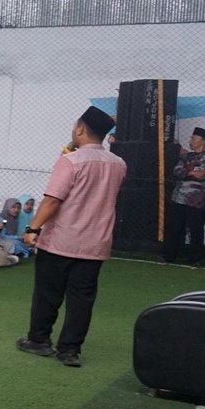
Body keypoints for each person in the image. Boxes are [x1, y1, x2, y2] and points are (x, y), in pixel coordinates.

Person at [16, 106, 128, 368]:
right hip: (95, 243)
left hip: (61, 240)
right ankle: (70, 350)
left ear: (80, 129)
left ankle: (39, 340)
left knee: (48, 293)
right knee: (82, 299)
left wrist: (33, 229)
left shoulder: (70, 161)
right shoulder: (119, 164)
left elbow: (53, 200)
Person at [165, 126, 205, 265]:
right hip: (178, 197)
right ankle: (169, 256)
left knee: (195, 230)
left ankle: (195, 259)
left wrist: (187, 171)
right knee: (174, 228)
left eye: (193, 138)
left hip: (196, 201)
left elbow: (202, 175)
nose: (190, 141)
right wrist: (191, 172)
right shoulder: (185, 156)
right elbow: (177, 171)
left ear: (203, 141)